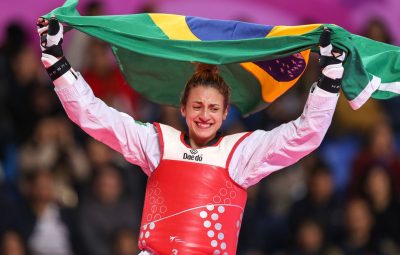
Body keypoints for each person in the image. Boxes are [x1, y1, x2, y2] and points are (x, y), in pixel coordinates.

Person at [36, 17, 345, 255]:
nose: (204, 115)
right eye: (197, 106)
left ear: (225, 114)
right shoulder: (157, 142)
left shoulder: (241, 152)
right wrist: (54, 58)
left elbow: (306, 133)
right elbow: (93, 116)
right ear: (182, 108)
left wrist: (330, 77)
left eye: (213, 108)